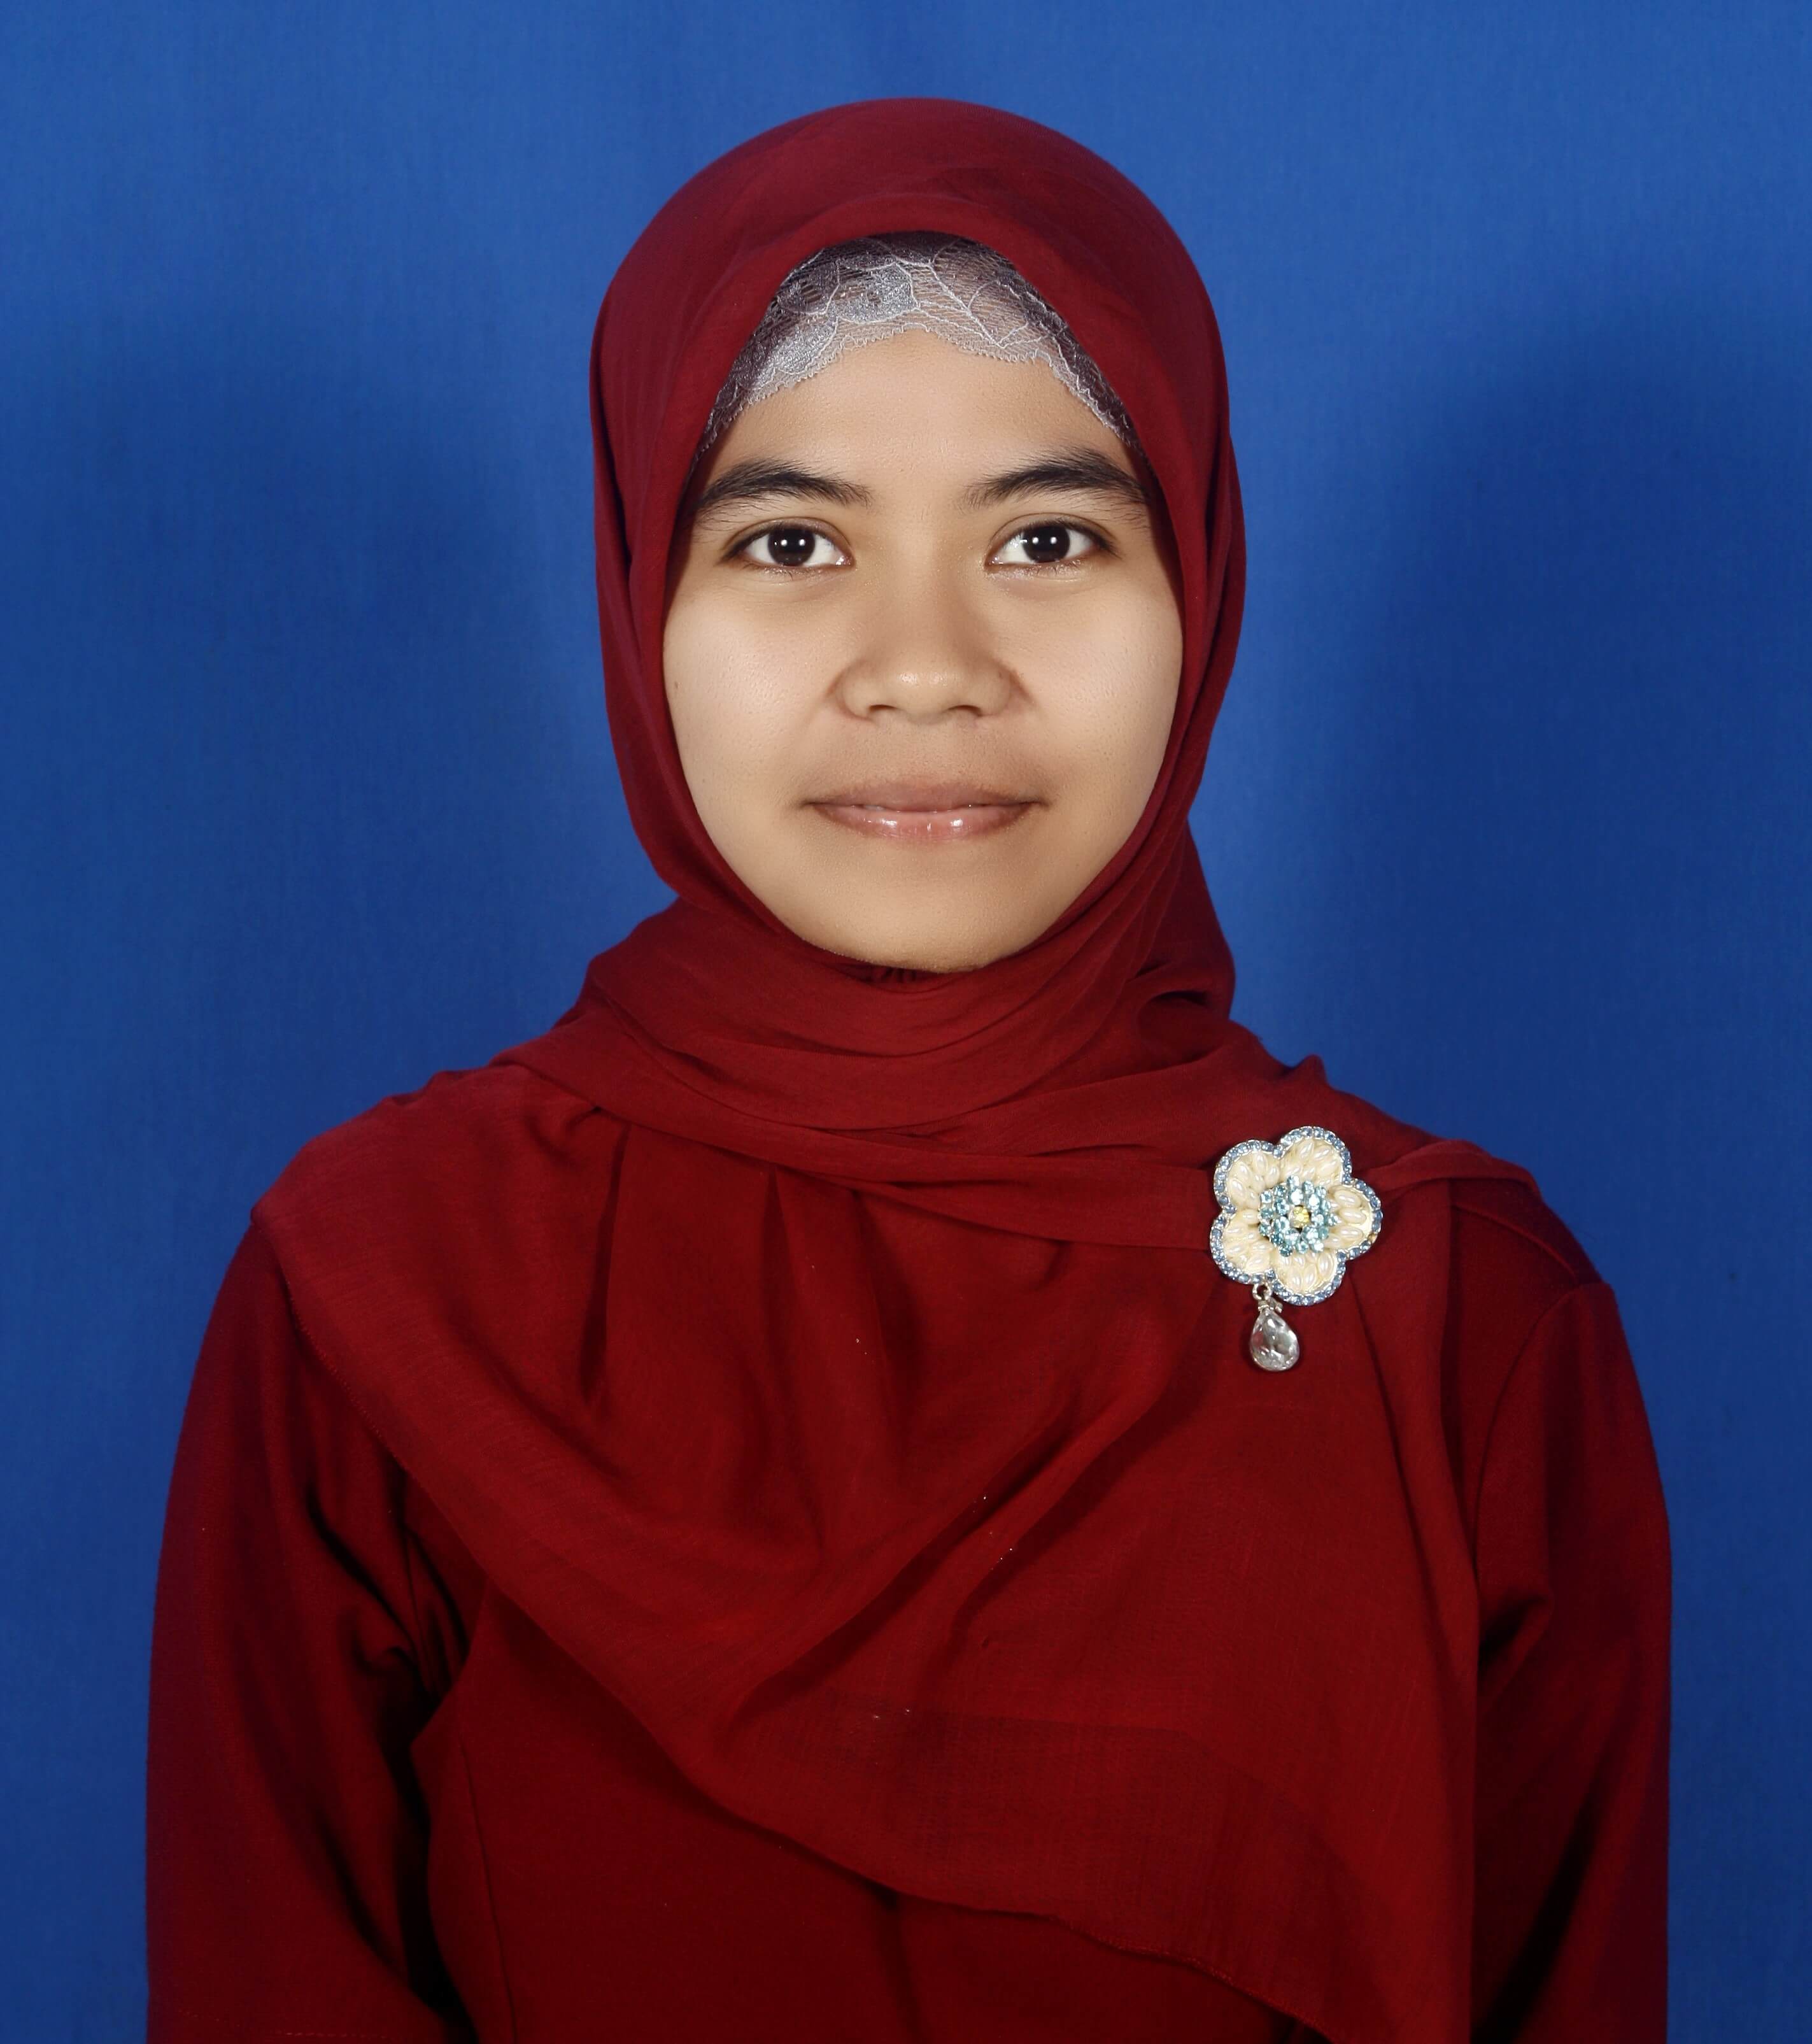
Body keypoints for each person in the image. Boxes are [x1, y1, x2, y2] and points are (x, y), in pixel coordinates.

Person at [145, 98, 1671, 2042]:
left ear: (1199, 586)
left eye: (1048, 538)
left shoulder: (1461, 1322)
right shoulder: (385, 1289)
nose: (927, 664)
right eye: (792, 541)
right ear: (641, 592)